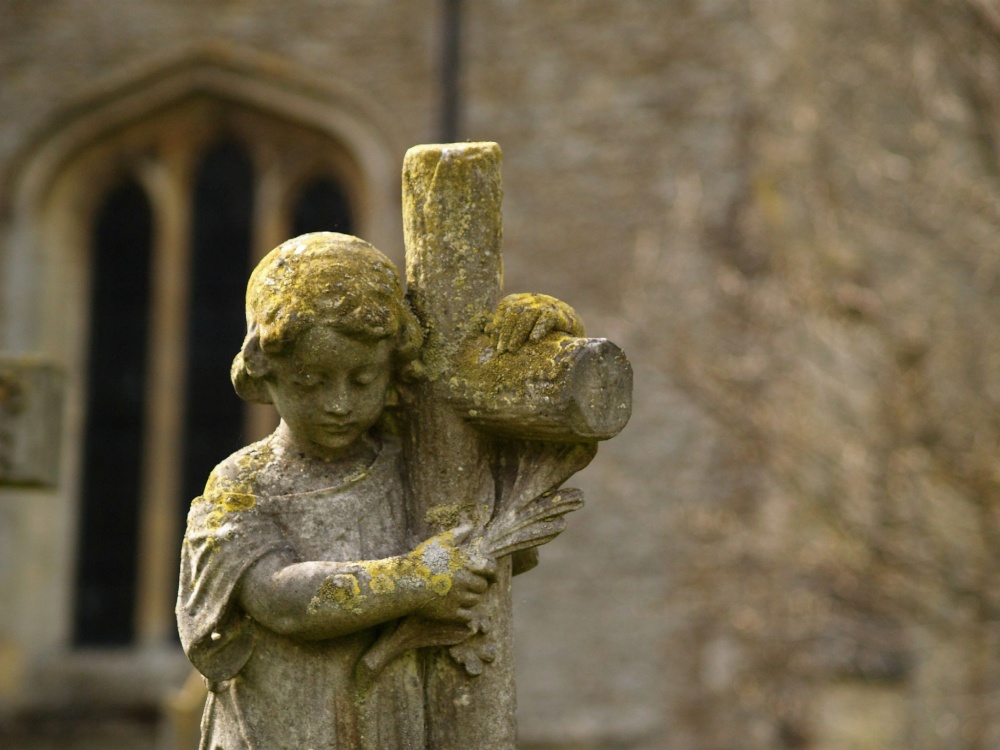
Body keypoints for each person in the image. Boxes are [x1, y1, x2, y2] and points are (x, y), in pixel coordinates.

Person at [176, 232, 578, 750]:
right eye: (309, 382)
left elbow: (545, 443)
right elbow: (279, 598)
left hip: (392, 726)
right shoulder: (245, 483)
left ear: (392, 368)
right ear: (264, 370)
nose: (339, 403)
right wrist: (417, 577)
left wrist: (544, 332)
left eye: (363, 379)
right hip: (280, 730)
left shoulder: (421, 459)